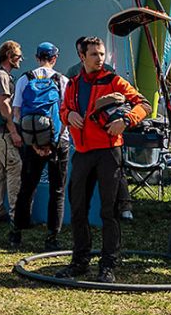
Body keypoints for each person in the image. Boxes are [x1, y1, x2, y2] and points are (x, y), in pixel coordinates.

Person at [58, 36, 150, 283]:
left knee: (109, 211)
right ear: (82, 57)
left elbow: (144, 104)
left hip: (109, 152)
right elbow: (63, 109)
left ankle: (108, 265)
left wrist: (127, 120)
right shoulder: (74, 84)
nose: (100, 59)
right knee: (78, 208)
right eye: (94, 54)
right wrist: (69, 115)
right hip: (83, 153)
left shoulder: (114, 81)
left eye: (102, 54)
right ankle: (79, 261)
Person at [8, 42, 69, 251]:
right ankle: (53, 236)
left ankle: (17, 233)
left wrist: (33, 141)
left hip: (30, 142)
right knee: (57, 189)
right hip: (59, 143)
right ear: (55, 58)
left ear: (36, 57)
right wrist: (52, 143)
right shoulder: (62, 80)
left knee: (27, 187)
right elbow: (65, 115)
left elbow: (16, 112)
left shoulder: (25, 78)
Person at [0, 41, 23, 224]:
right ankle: (16, 214)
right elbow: (4, 105)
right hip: (3, 132)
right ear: (9, 56)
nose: (20, 59)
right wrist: (13, 131)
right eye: (18, 56)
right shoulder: (1, 77)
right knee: (14, 166)